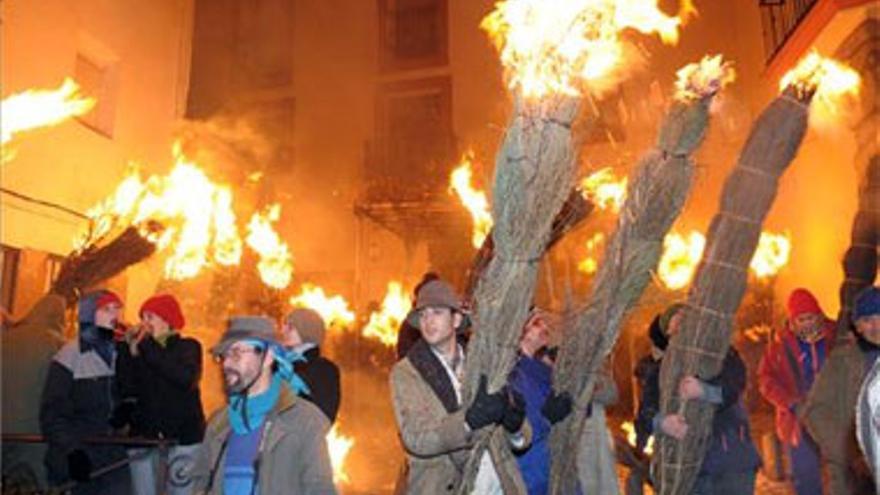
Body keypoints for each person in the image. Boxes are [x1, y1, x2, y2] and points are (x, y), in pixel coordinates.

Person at [390, 279, 531, 494]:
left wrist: (514, 427)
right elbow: (416, 437)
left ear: (456, 320)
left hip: (497, 486)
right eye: (423, 314)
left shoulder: (484, 364)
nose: (428, 321)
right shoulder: (407, 373)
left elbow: (521, 439)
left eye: (437, 312)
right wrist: (468, 421)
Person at [190, 316, 336, 494]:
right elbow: (201, 486)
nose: (227, 363)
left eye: (237, 352)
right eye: (224, 355)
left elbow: (320, 489)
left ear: (268, 357)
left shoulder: (304, 421)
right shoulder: (219, 423)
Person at [639, 304, 761, 494]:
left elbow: (735, 386)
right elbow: (645, 414)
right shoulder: (660, 372)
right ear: (668, 336)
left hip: (732, 462)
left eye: (687, 324)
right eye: (676, 328)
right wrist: (662, 422)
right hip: (692, 469)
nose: (683, 333)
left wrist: (705, 391)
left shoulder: (722, 356)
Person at [40, 289, 131, 494]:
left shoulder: (121, 354)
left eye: (117, 309)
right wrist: (72, 451)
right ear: (90, 314)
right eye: (107, 309)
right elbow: (53, 413)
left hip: (113, 461)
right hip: (81, 461)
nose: (114, 315)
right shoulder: (69, 356)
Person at [114, 294, 205, 495]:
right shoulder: (144, 350)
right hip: (145, 439)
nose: (144, 323)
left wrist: (147, 345)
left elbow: (184, 378)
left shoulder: (188, 347)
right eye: (143, 317)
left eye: (150, 317)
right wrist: (126, 351)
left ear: (168, 320)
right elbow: (127, 389)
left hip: (183, 441)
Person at [804, 286, 880, 494]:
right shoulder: (841, 362)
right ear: (857, 326)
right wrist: (852, 453)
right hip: (854, 480)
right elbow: (816, 412)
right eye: (868, 319)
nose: (876, 325)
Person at [757, 288, 834, 495]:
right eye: (801, 319)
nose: (807, 323)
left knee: (842, 473)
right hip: (797, 420)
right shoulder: (780, 346)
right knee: (806, 475)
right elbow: (765, 380)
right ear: (793, 321)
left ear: (819, 315)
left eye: (811, 317)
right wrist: (788, 402)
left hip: (834, 417)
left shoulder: (836, 337)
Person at [2, 294, 66, 492]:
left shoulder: (5, 339)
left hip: (3, 427)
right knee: (37, 483)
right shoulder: (56, 344)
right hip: (35, 432)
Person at [508, 308, 573, 495]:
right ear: (521, 332)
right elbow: (518, 428)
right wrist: (547, 418)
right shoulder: (513, 373)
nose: (545, 327)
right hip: (532, 471)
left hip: (554, 465)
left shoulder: (542, 368)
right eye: (536, 323)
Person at [281, 307, 341, 423]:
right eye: (284, 325)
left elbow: (324, 415)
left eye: (291, 326)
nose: (283, 331)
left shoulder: (324, 369)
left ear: (307, 329)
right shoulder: (276, 362)